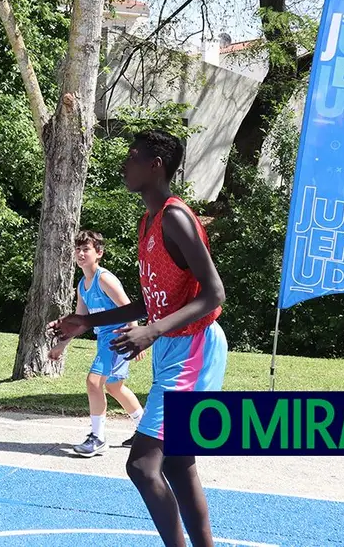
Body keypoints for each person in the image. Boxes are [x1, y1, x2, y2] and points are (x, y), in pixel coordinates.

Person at [50, 129, 228, 547]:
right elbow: (151, 300)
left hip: (195, 346)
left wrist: (153, 330)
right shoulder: (147, 221)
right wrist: (87, 323)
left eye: (132, 157)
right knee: (179, 462)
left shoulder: (175, 217)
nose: (124, 164)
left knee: (143, 465)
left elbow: (214, 293)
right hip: (172, 344)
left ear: (156, 166)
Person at [49, 229, 144, 455]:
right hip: (104, 338)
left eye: (86, 249)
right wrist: (62, 344)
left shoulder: (104, 278)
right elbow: (80, 321)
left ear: (98, 253)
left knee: (94, 382)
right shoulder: (82, 285)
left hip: (117, 337)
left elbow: (129, 307)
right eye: (78, 249)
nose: (81, 253)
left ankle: (98, 438)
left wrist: (137, 337)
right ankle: (145, 432)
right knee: (114, 386)